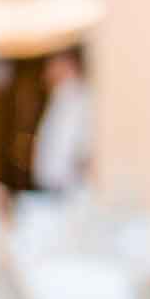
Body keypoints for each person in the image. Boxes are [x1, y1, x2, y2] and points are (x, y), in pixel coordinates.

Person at [32, 48, 93, 194]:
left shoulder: (80, 99)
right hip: (55, 187)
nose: (47, 70)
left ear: (68, 63)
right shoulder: (61, 96)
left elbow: (82, 146)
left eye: (52, 64)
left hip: (67, 189)